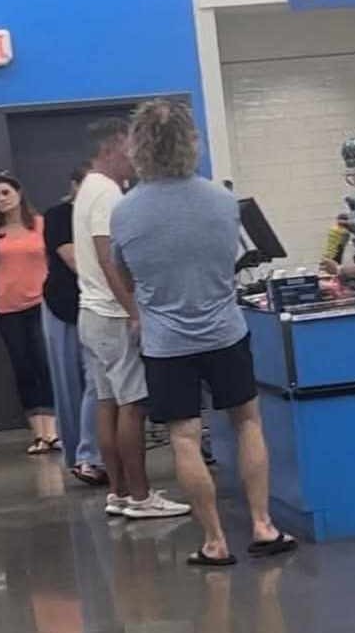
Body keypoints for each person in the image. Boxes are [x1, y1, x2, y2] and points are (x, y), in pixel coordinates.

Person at [111, 98, 296, 565]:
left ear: (137, 147)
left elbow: (126, 276)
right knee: (248, 422)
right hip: (225, 332)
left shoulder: (125, 213)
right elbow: (229, 262)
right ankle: (263, 525)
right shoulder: (222, 200)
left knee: (185, 437)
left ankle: (215, 541)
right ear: (192, 143)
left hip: (166, 342)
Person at [73, 117, 191, 519]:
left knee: (107, 402)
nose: (135, 159)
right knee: (134, 404)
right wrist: (134, 310)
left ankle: (119, 492)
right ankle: (141, 496)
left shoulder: (87, 189)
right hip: (111, 315)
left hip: (90, 313)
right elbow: (109, 260)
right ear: (111, 147)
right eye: (129, 148)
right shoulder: (107, 194)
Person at [0, 173, 58, 454]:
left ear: (18, 193)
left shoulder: (40, 224)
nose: (2, 199)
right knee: (23, 368)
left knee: (44, 365)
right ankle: (39, 433)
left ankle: (54, 431)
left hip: (40, 303)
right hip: (6, 307)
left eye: (6, 193)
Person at [42, 164, 106, 485]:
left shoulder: (105, 213)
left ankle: (91, 453)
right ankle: (79, 455)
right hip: (64, 304)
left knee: (96, 381)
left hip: (97, 304)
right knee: (70, 383)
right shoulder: (57, 216)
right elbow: (72, 259)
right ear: (75, 185)